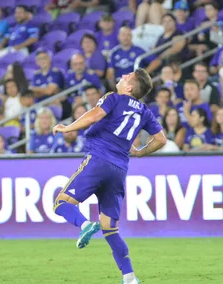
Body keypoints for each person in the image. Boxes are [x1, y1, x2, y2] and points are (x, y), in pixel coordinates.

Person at [52, 69, 166, 284]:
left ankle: (84, 225)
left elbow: (95, 115)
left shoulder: (113, 98)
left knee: (61, 203)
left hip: (99, 159)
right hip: (119, 169)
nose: (122, 77)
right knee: (110, 228)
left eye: (127, 77)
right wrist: (140, 151)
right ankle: (130, 278)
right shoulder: (145, 112)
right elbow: (161, 139)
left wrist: (68, 128)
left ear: (130, 88)